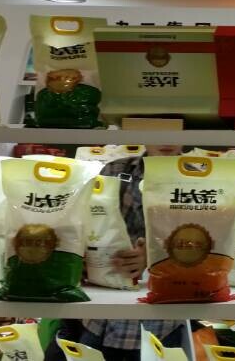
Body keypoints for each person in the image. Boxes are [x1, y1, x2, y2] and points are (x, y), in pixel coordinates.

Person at [46, 144, 187, 361]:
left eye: (175, 131)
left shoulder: (198, 180)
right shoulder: (116, 171)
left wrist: (155, 257)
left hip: (161, 319)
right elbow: (90, 223)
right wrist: (85, 255)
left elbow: (207, 245)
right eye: (158, 130)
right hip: (102, 309)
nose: (166, 141)